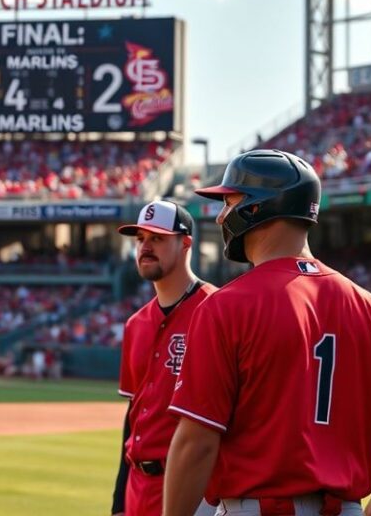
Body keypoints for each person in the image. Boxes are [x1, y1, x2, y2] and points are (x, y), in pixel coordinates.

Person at [163, 149, 371, 516]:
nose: (222, 214)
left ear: (256, 207)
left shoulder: (226, 306)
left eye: (229, 201)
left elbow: (195, 445)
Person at [111, 200, 218, 516]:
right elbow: (134, 417)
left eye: (157, 238)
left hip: (193, 487)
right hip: (137, 486)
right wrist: (119, 502)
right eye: (140, 239)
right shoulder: (135, 323)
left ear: (185, 244)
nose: (145, 247)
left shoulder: (217, 310)